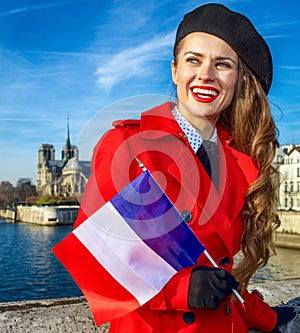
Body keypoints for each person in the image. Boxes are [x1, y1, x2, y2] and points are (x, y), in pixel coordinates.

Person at [74, 3, 296, 333]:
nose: (206, 74)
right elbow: (94, 259)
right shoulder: (129, 147)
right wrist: (181, 289)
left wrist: (269, 318)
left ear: (237, 80)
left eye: (222, 64)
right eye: (194, 60)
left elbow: (227, 277)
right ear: (175, 70)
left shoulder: (241, 160)